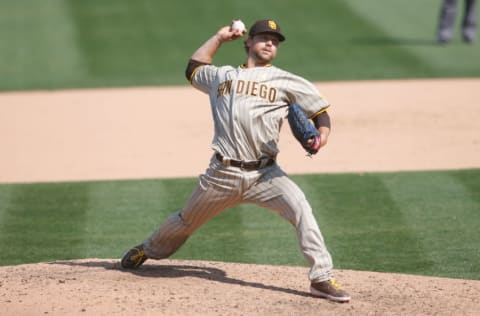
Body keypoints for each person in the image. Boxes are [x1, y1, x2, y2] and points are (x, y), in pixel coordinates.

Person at [120, 19, 351, 302]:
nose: (270, 43)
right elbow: (193, 68)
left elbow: (320, 112)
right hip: (222, 174)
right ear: (248, 42)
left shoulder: (286, 80)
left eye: (275, 41)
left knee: (302, 209)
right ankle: (148, 249)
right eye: (264, 38)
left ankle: (322, 278)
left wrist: (322, 137)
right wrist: (219, 37)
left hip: (267, 175)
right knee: (185, 222)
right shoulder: (222, 76)